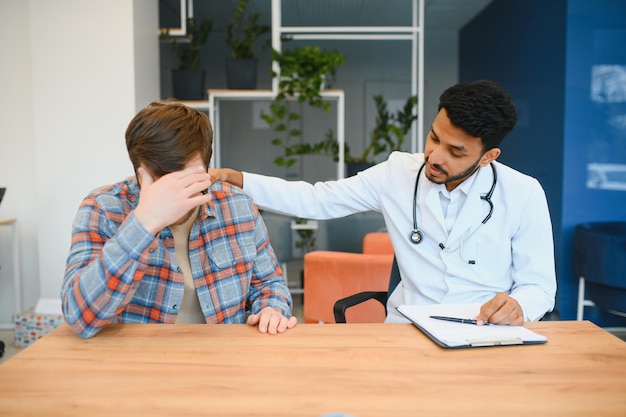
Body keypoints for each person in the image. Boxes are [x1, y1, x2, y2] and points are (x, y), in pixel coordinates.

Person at [211, 80, 557, 325]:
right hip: (409, 329)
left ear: (487, 156)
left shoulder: (523, 193)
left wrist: (519, 307)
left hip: (484, 332)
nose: (434, 156)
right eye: (434, 137)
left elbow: (539, 286)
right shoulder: (396, 174)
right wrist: (241, 180)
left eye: (455, 151)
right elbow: (316, 199)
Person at [62, 100, 297, 338]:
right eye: (164, 183)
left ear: (207, 166)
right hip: (138, 364)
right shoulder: (104, 209)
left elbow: (269, 285)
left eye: (188, 180)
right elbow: (80, 319)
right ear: (139, 171)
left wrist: (272, 309)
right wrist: (144, 223)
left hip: (225, 359)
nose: (177, 195)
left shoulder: (238, 206)